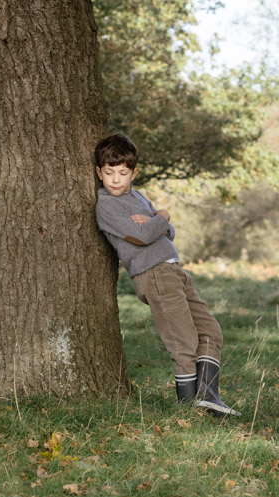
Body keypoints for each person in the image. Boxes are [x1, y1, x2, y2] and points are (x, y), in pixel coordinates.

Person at [93, 133, 239, 416]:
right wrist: (163, 215)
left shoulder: (136, 195)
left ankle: (209, 397)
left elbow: (167, 233)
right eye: (109, 173)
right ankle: (187, 408)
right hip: (154, 274)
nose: (115, 180)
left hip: (174, 269)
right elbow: (143, 235)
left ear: (133, 173)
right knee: (183, 340)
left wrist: (158, 220)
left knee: (210, 330)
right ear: (99, 172)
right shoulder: (107, 205)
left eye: (122, 173)